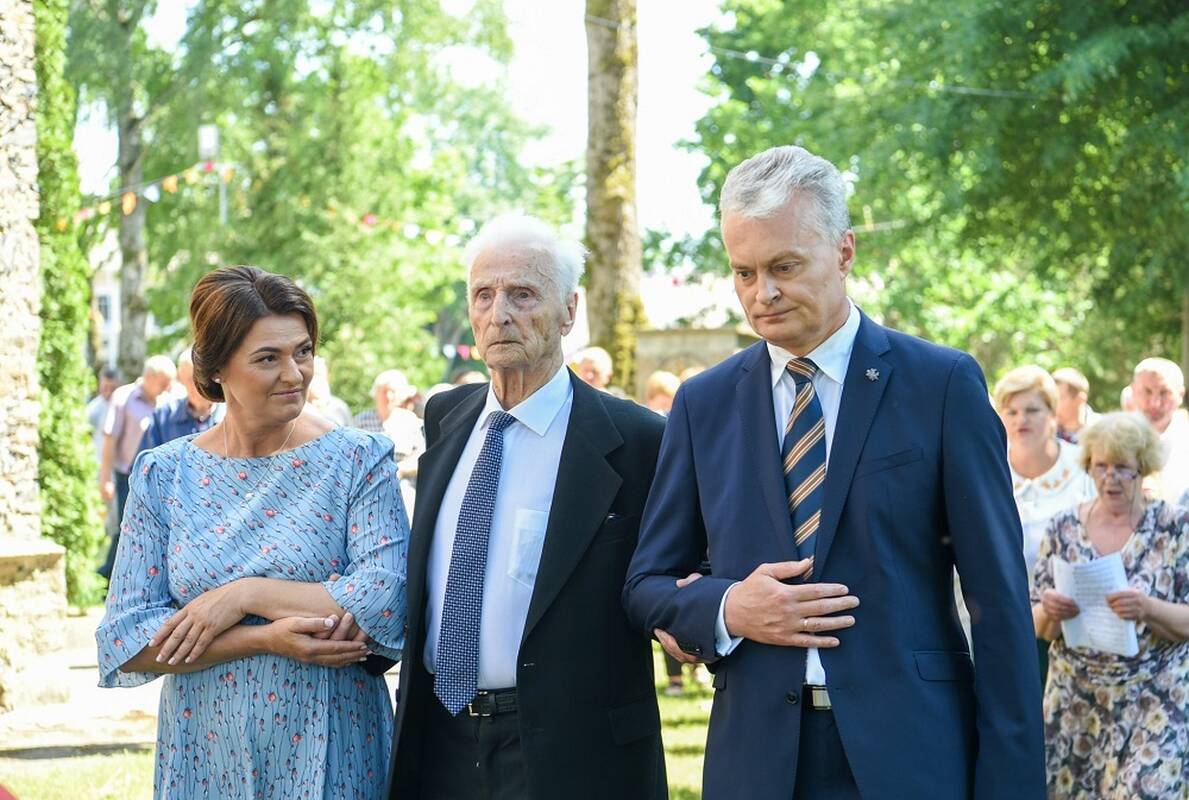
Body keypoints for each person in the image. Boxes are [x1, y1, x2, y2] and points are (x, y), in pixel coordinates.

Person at [624, 145, 1045, 799]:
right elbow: (646, 584)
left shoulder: (940, 385)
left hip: (913, 759)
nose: (762, 293)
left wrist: (1010, 786)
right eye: (743, 272)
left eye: (784, 266)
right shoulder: (702, 404)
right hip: (756, 765)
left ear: (844, 251)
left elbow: (999, 604)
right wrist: (730, 608)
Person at [95, 265, 408, 799]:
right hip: (203, 753)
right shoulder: (164, 474)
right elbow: (125, 639)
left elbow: (384, 600)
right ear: (217, 368)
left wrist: (243, 596)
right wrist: (261, 638)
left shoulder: (358, 460)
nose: (294, 373)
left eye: (303, 352)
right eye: (268, 358)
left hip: (332, 745)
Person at [385, 214, 667, 799]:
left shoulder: (638, 440)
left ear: (569, 310)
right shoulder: (445, 418)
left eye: (522, 294)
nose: (499, 314)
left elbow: (674, 576)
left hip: (573, 757)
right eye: (483, 295)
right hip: (439, 743)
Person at [1031, 412, 1189, 798]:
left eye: (1122, 468)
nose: (1110, 478)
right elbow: (1036, 625)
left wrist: (1147, 608)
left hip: (1154, 698)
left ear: (1143, 468)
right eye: (1100, 467)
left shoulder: (1176, 526)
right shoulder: (1062, 528)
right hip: (1075, 698)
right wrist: (1051, 610)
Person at [991, 365, 1096, 681]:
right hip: (1006, 625)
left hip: (1080, 626)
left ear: (1052, 413)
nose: (1020, 419)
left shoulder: (1084, 467)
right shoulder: (989, 470)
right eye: (1011, 411)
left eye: (1032, 410)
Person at [97, 355, 176, 579]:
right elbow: (110, 439)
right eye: (163, 382)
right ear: (149, 377)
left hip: (160, 479)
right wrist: (105, 478)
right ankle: (109, 576)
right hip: (127, 476)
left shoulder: (167, 401)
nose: (167, 388)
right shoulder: (124, 397)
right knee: (127, 527)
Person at [139, 348, 224, 451]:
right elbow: (147, 459)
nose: (196, 385)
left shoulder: (229, 415)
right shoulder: (163, 417)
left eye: (201, 378)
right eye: (189, 379)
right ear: (181, 379)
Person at [1130, 357, 1188, 502]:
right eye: (1147, 391)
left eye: (1164, 392)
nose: (1155, 403)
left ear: (1180, 395)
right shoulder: (1112, 439)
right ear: (1134, 391)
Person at [353, 369, 418, 433]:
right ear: (375, 394)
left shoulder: (408, 420)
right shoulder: (361, 421)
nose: (388, 396)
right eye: (384, 392)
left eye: (393, 391)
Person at [1052, 367, 1097, 444]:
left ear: (1080, 399)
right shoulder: (1045, 433)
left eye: (1058, 399)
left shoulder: (1103, 431)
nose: (1052, 405)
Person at [86, 367, 121, 464]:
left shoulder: (124, 406)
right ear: (100, 384)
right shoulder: (93, 409)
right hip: (98, 463)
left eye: (112, 388)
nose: (109, 392)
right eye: (105, 387)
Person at [307, 355, 353, 426]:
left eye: (319, 375)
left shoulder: (340, 407)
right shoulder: (300, 410)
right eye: (313, 376)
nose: (316, 380)